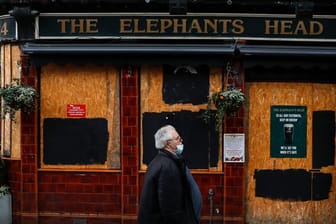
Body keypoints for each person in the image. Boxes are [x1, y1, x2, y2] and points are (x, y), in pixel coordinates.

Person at [137, 125, 202, 224]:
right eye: (177, 139)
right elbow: (171, 209)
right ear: (167, 144)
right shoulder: (167, 167)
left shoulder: (160, 161)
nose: (181, 141)